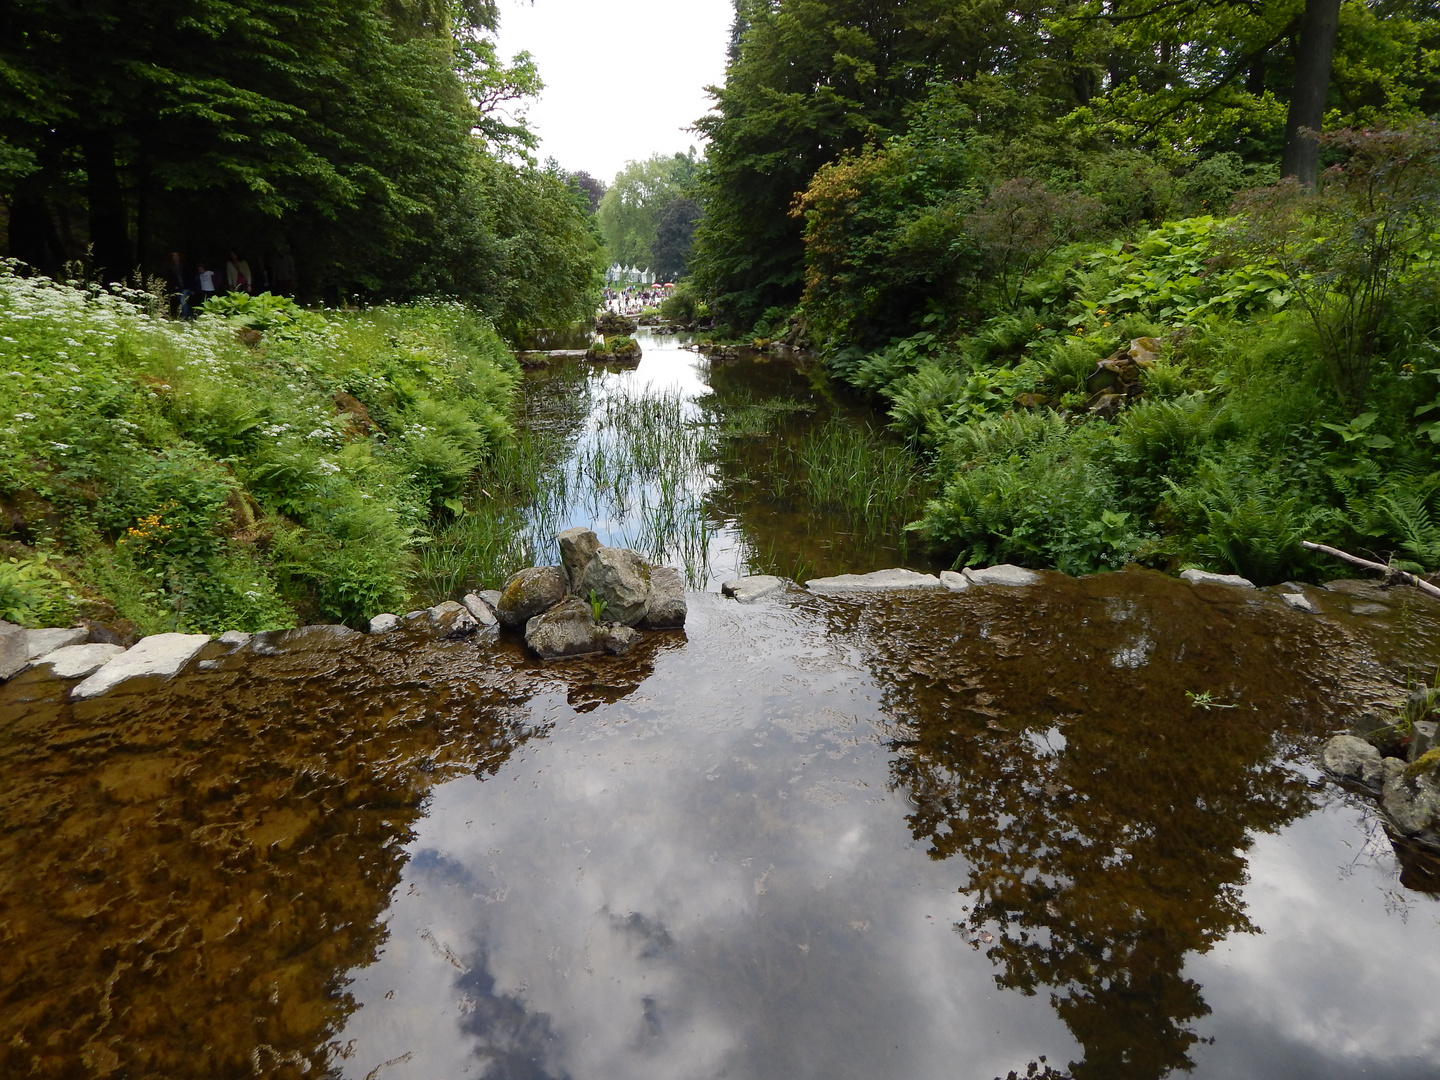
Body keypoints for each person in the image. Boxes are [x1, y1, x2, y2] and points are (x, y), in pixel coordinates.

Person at [165, 251, 192, 319]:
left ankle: (184, 316)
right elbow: (170, 278)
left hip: (186, 286)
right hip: (177, 287)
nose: (175, 257)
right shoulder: (170, 266)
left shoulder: (184, 265)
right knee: (182, 301)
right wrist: (174, 286)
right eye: (174, 256)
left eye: (176, 255)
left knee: (183, 301)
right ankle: (189, 316)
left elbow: (189, 276)